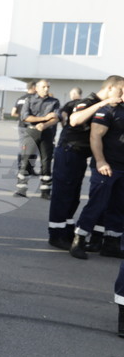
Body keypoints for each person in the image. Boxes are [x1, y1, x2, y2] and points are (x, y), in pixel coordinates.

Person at [48, 77, 124, 249]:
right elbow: (75, 120)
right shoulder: (88, 101)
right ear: (110, 88)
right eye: (120, 90)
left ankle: (66, 232)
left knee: (73, 196)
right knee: (63, 194)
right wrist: (101, 104)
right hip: (69, 151)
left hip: (81, 155)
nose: (121, 95)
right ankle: (56, 235)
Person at [69, 99, 124, 260]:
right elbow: (95, 136)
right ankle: (78, 241)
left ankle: (111, 244)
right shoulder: (109, 110)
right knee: (97, 205)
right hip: (107, 166)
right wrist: (100, 161)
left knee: (118, 207)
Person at [16, 80, 60, 198]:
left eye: (48, 87)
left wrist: (44, 125)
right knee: (27, 160)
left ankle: (45, 191)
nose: (46, 89)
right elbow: (25, 117)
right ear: (37, 88)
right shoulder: (29, 100)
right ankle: (21, 189)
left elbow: (56, 118)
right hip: (31, 132)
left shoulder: (54, 101)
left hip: (47, 133)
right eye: (44, 87)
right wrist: (45, 118)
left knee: (46, 162)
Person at [12, 80, 37, 179]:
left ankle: (20, 167)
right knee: (33, 148)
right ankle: (30, 169)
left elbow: (13, 113)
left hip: (21, 125)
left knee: (22, 147)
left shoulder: (20, 98)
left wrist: (22, 116)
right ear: (34, 87)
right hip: (31, 126)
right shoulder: (34, 99)